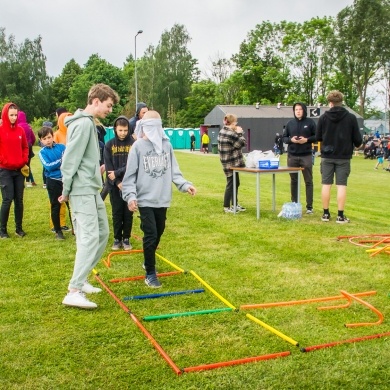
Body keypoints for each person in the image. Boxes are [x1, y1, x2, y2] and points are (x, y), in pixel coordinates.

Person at [59, 83, 120, 309]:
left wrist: (97, 168)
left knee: (102, 233)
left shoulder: (89, 124)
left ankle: (82, 279)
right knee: (89, 237)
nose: (110, 110)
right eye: (108, 105)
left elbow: (83, 158)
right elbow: (70, 159)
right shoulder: (83, 124)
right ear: (96, 101)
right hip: (81, 189)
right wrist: (65, 191)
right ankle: (73, 290)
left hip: (92, 187)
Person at [121, 110, 196, 288]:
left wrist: (185, 185)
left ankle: (148, 259)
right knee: (151, 233)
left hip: (162, 198)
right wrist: (130, 196)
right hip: (145, 199)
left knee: (159, 230)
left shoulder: (167, 146)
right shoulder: (137, 147)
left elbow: (174, 170)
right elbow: (129, 176)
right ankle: (150, 273)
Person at [316, 90, 362, 224]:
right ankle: (340, 216)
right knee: (341, 185)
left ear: (330, 103)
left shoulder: (323, 118)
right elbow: (358, 140)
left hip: (327, 155)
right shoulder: (351, 118)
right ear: (341, 102)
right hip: (343, 156)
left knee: (326, 184)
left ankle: (325, 214)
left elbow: (318, 137)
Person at [103, 116, 135, 251]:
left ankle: (126, 238)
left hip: (130, 184)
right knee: (117, 212)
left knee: (128, 212)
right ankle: (117, 239)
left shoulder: (134, 144)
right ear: (115, 129)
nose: (123, 133)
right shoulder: (109, 145)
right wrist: (116, 181)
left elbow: (132, 165)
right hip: (114, 186)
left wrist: (118, 173)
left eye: (125, 130)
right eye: (120, 130)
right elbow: (108, 168)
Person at [0, 103, 29, 238]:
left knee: (19, 199)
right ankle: (2, 230)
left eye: (15, 115)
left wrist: (23, 159)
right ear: (5, 114)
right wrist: (4, 161)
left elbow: (25, 147)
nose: (13, 117)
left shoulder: (20, 130)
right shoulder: (0, 130)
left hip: (18, 170)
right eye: (11, 115)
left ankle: (19, 228)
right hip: (5, 170)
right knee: (7, 199)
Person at [282, 103, 316, 214]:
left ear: (304, 110)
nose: (298, 111)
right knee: (294, 180)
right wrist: (291, 140)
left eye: (300, 109)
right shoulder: (290, 123)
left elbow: (317, 136)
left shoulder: (310, 122)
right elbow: (284, 138)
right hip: (292, 156)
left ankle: (309, 207)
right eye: (296, 109)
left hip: (305, 155)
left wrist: (306, 140)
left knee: (308, 181)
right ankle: (294, 203)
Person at [38, 126, 69, 240]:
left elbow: (68, 160)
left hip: (66, 180)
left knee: (71, 205)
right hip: (53, 182)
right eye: (45, 138)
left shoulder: (62, 147)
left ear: (53, 136)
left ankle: (76, 230)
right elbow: (48, 166)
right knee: (55, 205)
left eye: (49, 137)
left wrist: (62, 161)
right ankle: (58, 230)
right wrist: (61, 161)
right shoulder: (42, 153)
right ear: (41, 140)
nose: (48, 140)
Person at [218, 113, 247, 213]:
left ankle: (234, 204)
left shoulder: (222, 131)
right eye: (235, 122)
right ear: (232, 123)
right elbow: (241, 143)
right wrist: (240, 133)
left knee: (235, 183)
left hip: (226, 161)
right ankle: (226, 206)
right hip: (231, 162)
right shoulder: (231, 133)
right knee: (231, 184)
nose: (237, 124)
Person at [53, 112, 72, 231]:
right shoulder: (57, 134)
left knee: (69, 200)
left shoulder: (73, 132)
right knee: (57, 200)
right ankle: (57, 224)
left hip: (70, 170)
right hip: (58, 172)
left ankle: (72, 225)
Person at [17, 110, 37, 187]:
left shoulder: (18, 126)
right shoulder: (29, 126)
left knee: (21, 164)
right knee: (28, 164)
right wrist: (30, 143)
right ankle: (29, 181)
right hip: (29, 146)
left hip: (21, 147)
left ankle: (23, 182)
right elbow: (33, 138)